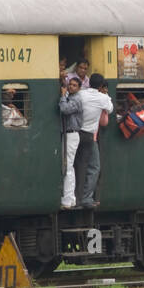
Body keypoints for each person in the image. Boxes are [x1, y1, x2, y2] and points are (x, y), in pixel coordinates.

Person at [74, 73, 113, 209]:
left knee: (75, 166)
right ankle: (86, 197)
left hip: (75, 133)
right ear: (101, 86)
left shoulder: (81, 94)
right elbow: (110, 109)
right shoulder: (103, 98)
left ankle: (73, 198)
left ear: (89, 82)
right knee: (94, 167)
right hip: (90, 137)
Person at [58, 75, 83, 208]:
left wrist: (62, 96)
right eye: (70, 84)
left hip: (72, 135)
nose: (71, 87)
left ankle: (67, 200)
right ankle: (71, 198)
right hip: (70, 134)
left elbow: (65, 109)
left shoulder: (77, 99)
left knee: (67, 167)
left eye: (74, 85)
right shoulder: (72, 97)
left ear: (79, 88)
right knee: (70, 167)